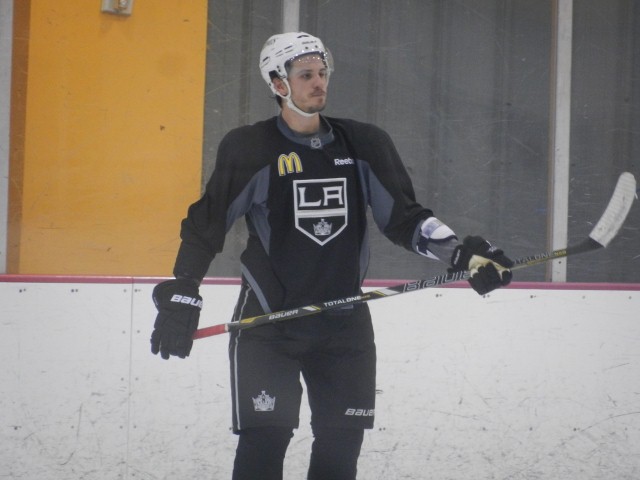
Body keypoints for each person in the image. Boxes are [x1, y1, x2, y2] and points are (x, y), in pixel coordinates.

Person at [151, 32, 513, 480]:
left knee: (340, 452)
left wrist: (461, 254)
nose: (319, 82)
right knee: (265, 442)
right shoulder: (250, 148)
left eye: (322, 73)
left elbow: (405, 219)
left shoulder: (364, 143)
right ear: (278, 83)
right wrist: (184, 287)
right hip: (268, 326)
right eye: (306, 75)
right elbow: (207, 224)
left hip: (344, 324)